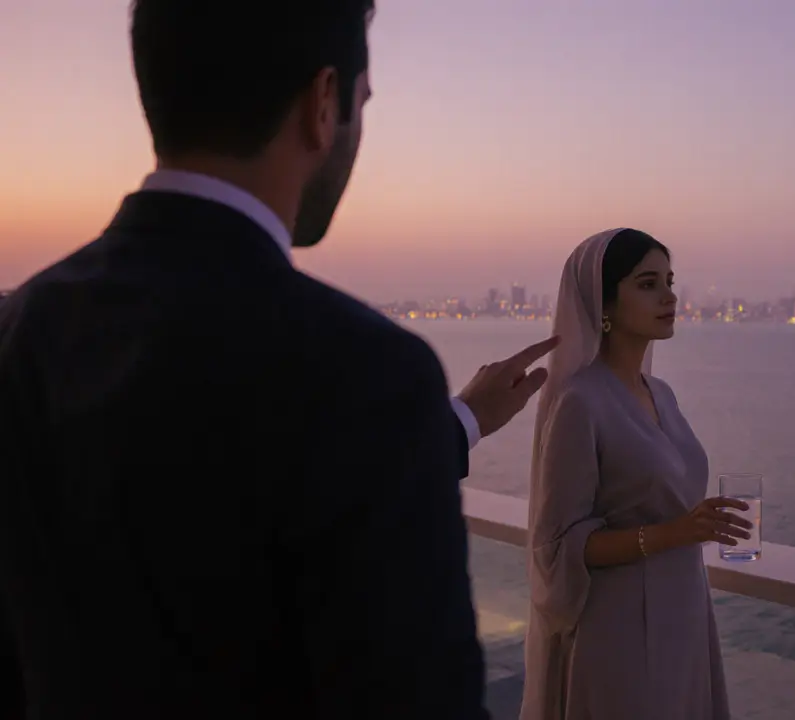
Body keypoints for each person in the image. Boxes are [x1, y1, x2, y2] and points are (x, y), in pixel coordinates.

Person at [0, 1, 556, 717]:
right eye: (361, 103)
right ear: (323, 103)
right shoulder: (367, 375)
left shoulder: (23, 330)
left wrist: (454, 424)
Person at [521, 229, 753, 720]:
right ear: (603, 303)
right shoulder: (580, 402)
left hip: (685, 611)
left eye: (669, 281)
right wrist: (675, 532)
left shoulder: (661, 392)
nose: (669, 296)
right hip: (621, 627)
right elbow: (560, 545)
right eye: (647, 283)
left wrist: (695, 525)